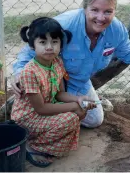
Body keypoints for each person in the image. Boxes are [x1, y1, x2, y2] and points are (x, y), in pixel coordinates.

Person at [11, 0, 130, 128]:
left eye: (108, 11)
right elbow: (30, 47)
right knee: (47, 112)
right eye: (95, 10)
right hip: (49, 80)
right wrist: (19, 72)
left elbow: (129, 51)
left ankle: (58, 111)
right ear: (84, 8)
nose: (101, 18)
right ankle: (29, 110)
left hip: (77, 81)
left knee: (94, 120)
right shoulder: (65, 24)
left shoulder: (116, 29)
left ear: (114, 11)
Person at [10, 17, 97, 167]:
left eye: (55, 42)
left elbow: (59, 94)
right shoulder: (30, 72)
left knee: (80, 112)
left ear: (61, 44)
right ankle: (32, 146)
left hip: (45, 109)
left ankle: (46, 141)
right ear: (32, 46)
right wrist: (73, 107)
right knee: (71, 117)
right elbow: (40, 109)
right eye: (43, 42)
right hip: (28, 117)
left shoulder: (57, 62)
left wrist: (78, 100)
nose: (49, 47)